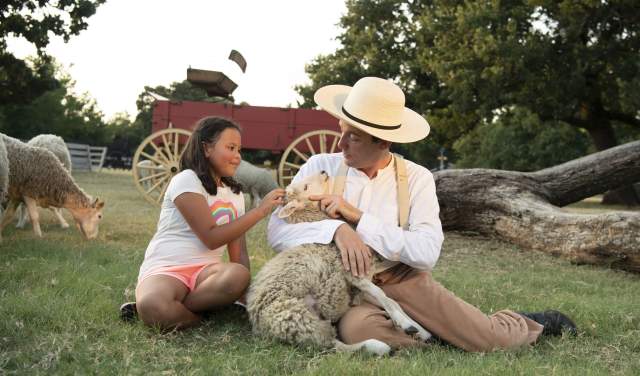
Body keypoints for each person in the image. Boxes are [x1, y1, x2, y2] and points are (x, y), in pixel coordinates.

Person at [267, 77, 576, 352]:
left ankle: (524, 323)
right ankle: (441, 335)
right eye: (342, 131)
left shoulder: (417, 178)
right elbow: (277, 231)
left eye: (355, 137)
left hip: (402, 277)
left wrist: (359, 219)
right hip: (349, 288)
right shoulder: (320, 166)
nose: (340, 144)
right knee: (362, 332)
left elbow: (426, 253)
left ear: (384, 142)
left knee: (491, 341)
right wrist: (336, 230)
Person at [121, 116, 285, 330]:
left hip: (206, 276)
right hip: (168, 270)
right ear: (206, 148)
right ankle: (200, 315)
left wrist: (243, 293)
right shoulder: (186, 180)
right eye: (231, 148)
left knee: (238, 274)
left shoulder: (234, 194)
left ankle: (176, 310)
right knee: (154, 305)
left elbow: (239, 255)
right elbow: (211, 237)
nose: (237, 157)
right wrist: (261, 210)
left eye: (239, 150)